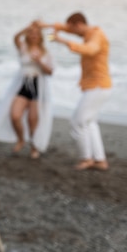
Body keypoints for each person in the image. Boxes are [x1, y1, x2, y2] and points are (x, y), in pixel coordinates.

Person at [39, 12, 112, 170]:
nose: (72, 32)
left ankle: (86, 158)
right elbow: (66, 27)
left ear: (79, 24)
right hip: (96, 86)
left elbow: (90, 50)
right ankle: (99, 160)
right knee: (89, 122)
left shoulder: (96, 35)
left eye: (73, 28)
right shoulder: (88, 32)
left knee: (77, 122)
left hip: (97, 85)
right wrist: (45, 25)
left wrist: (62, 40)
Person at [0, 22, 54, 159]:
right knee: (15, 115)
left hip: (38, 86)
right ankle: (21, 139)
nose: (33, 36)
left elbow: (50, 72)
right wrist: (29, 27)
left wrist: (39, 61)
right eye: (31, 33)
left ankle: (33, 146)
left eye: (36, 34)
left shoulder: (46, 53)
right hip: (23, 84)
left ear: (40, 37)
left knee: (33, 120)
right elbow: (15, 38)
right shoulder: (23, 48)